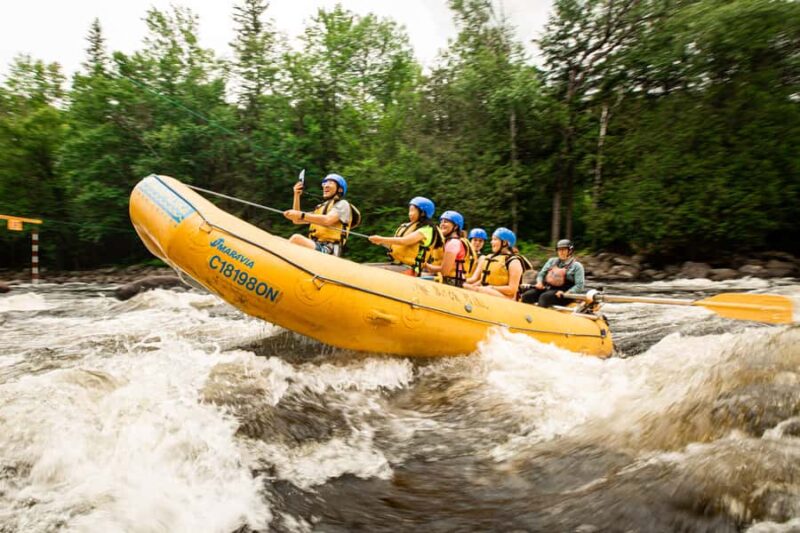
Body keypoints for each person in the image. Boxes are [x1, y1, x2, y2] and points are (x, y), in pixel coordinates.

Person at [283, 173, 357, 256]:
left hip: (329, 249)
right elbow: (296, 220)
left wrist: (301, 214)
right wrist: (296, 195)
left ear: (340, 189)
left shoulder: (343, 204)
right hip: (315, 245)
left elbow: (327, 220)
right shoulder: (320, 208)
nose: (326, 186)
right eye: (325, 183)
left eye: (330, 183)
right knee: (282, 241)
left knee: (296, 239)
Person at [368, 197, 443, 276]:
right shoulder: (411, 227)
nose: (410, 213)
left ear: (423, 213)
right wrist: (380, 242)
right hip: (399, 265)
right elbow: (397, 246)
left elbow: (404, 241)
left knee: (372, 272)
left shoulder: (427, 229)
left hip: (411, 268)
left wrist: (381, 239)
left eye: (412, 210)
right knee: (366, 267)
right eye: (409, 210)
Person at [464, 227, 527, 300]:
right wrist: (471, 287)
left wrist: (492, 288)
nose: (491, 242)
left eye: (495, 239)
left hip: (507, 299)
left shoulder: (514, 262)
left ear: (504, 243)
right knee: (465, 286)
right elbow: (483, 281)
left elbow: (512, 289)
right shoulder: (490, 257)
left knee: (483, 290)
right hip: (489, 293)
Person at [520, 239, 585, 307]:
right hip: (548, 289)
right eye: (559, 250)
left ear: (570, 251)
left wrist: (567, 292)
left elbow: (579, 285)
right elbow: (541, 274)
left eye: (564, 250)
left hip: (565, 294)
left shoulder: (577, 266)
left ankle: (541, 316)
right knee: (527, 295)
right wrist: (539, 282)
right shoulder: (552, 261)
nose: (561, 252)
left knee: (544, 297)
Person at [424, 210, 476, 287]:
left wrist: (427, 266)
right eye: (441, 221)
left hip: (452, 282)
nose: (442, 224)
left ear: (456, 227)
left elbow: (445, 271)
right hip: (450, 280)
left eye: (446, 222)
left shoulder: (453, 243)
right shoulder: (449, 242)